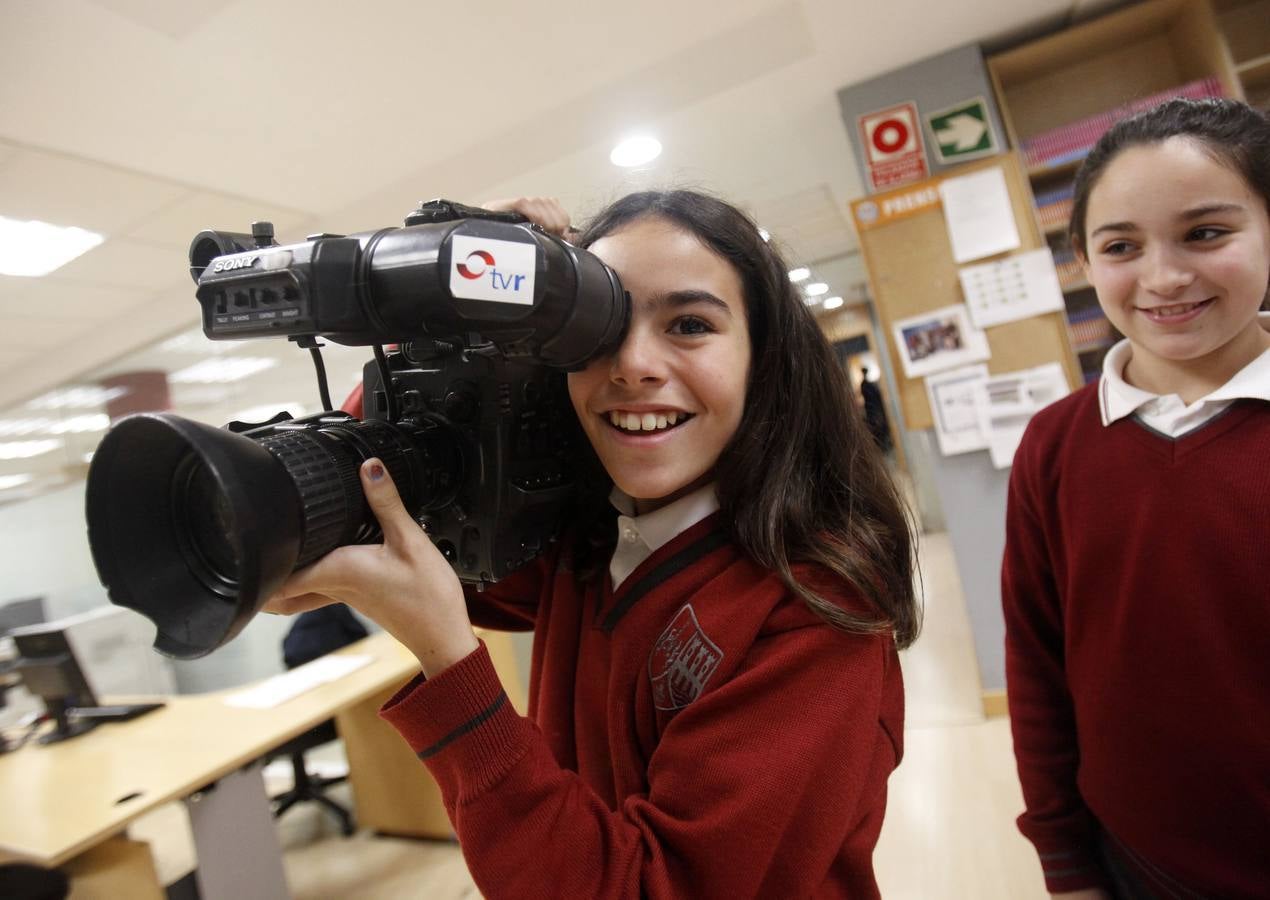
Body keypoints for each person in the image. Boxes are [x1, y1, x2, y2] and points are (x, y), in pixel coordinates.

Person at [267, 189, 919, 897]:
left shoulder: (815, 605)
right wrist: (454, 306)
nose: (632, 365)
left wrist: (449, 663)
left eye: (691, 324)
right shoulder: (586, 536)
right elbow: (412, 465)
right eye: (595, 333)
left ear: (765, 359)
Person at [1002, 97, 1270, 900]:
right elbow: (1037, 664)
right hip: (1140, 865)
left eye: (1206, 233)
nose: (1163, 277)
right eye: (1121, 246)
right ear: (1082, 261)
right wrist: (1066, 864)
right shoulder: (1053, 447)